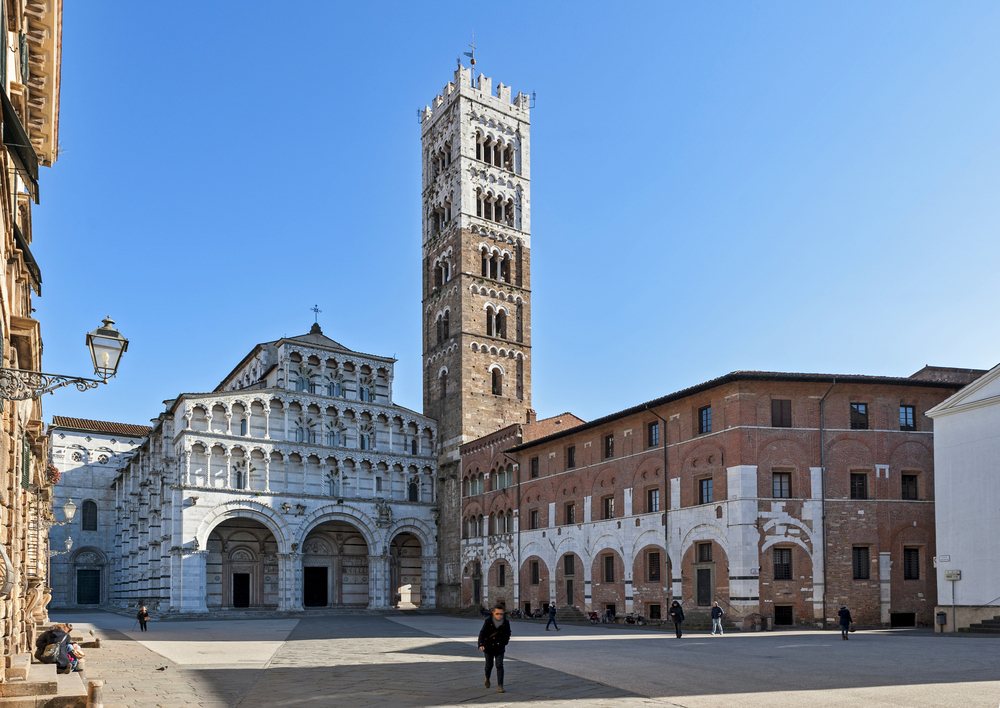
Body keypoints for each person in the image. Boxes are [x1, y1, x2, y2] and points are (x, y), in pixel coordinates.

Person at [478, 604, 511, 694]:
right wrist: (481, 644)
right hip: (489, 646)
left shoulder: (506, 622)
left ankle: (500, 685)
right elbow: (482, 633)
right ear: (493, 613)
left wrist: (504, 642)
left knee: (499, 665)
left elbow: (508, 634)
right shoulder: (488, 621)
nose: (499, 615)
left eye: (501, 614)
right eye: (497, 614)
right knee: (489, 665)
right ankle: (487, 677)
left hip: (499, 647)